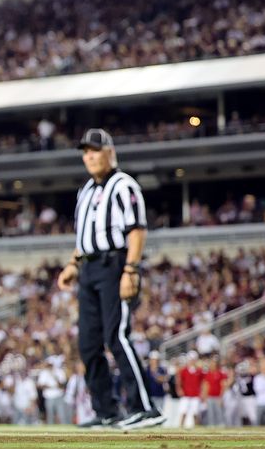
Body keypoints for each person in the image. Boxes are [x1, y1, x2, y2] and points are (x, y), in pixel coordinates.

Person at [55, 128, 163, 430]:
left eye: (95, 150)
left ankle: (144, 407)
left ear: (109, 152)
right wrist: (73, 264)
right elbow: (85, 236)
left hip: (114, 264)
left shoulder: (123, 185)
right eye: (85, 152)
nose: (89, 156)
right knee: (88, 343)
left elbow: (137, 230)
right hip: (89, 268)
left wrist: (130, 270)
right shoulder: (85, 190)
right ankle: (106, 411)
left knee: (117, 335)